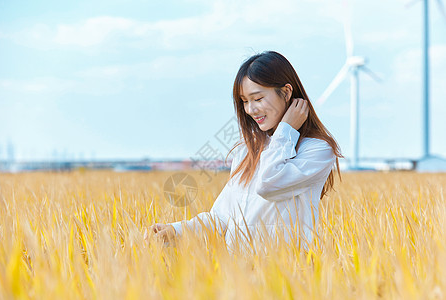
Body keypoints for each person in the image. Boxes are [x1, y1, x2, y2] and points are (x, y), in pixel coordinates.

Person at [145, 51, 342, 251]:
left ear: (286, 92)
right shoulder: (248, 150)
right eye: (244, 101)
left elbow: (268, 184)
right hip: (239, 274)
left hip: (284, 274)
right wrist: (176, 230)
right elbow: (222, 217)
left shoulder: (317, 150)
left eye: (257, 98)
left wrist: (286, 130)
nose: (250, 109)